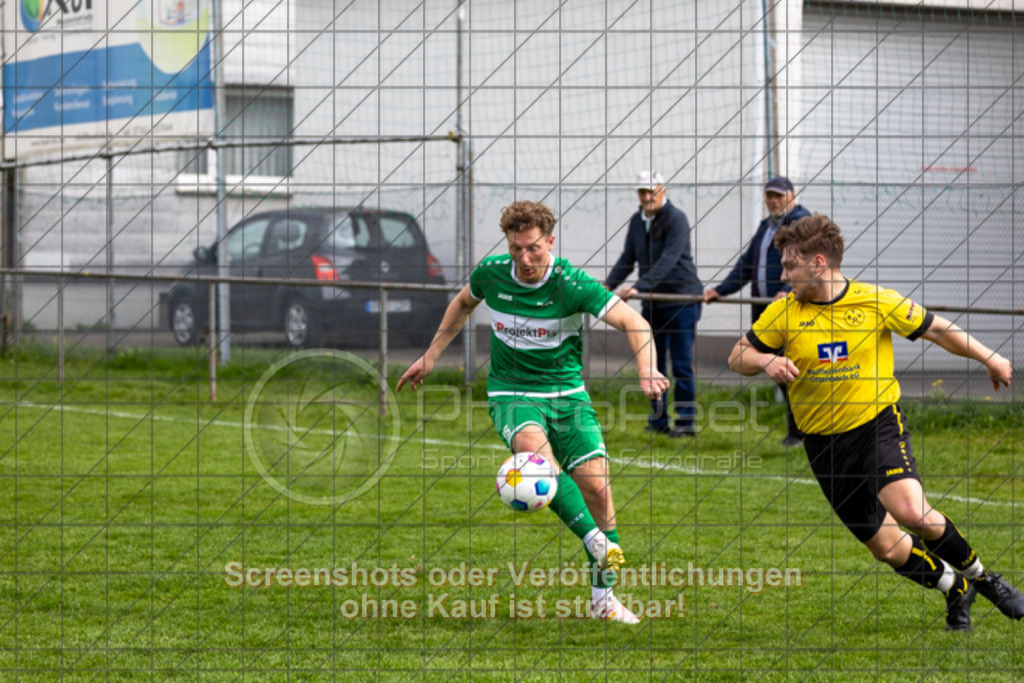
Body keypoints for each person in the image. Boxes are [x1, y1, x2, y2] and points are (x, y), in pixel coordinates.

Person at [728, 213, 1024, 631]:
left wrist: (989, 357)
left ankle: (986, 579)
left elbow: (938, 330)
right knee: (887, 548)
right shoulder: (784, 313)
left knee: (911, 511)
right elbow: (737, 356)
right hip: (824, 445)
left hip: (876, 425)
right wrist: (766, 360)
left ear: (818, 262)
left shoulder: (876, 301)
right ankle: (955, 586)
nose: (783, 273)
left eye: (789, 264)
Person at [398, 199, 670, 624]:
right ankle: (596, 542)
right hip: (512, 391)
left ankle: (603, 600)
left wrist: (647, 368)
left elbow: (636, 324)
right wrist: (431, 355)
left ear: (550, 242)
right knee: (533, 455)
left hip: (567, 395)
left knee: (598, 490)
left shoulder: (571, 284)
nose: (524, 259)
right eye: (515, 249)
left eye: (533, 249)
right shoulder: (491, 274)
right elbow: (461, 304)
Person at [704, 176, 811, 447]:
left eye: (779, 195)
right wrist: (721, 289)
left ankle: (804, 431)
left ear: (792, 195)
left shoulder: (802, 222)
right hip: (765, 313)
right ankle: (799, 430)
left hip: (792, 310)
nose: (774, 201)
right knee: (779, 370)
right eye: (769, 196)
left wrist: (788, 291)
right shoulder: (766, 226)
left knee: (795, 371)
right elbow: (747, 264)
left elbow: (809, 264)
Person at [606, 171, 703, 437]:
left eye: (652, 191)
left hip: (681, 300)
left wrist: (639, 287)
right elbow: (628, 258)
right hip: (653, 302)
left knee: (681, 363)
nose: (647, 197)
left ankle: (686, 421)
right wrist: (606, 286)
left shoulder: (676, 218)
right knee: (653, 362)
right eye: (643, 192)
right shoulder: (637, 221)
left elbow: (669, 260)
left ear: (664, 191)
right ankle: (659, 419)